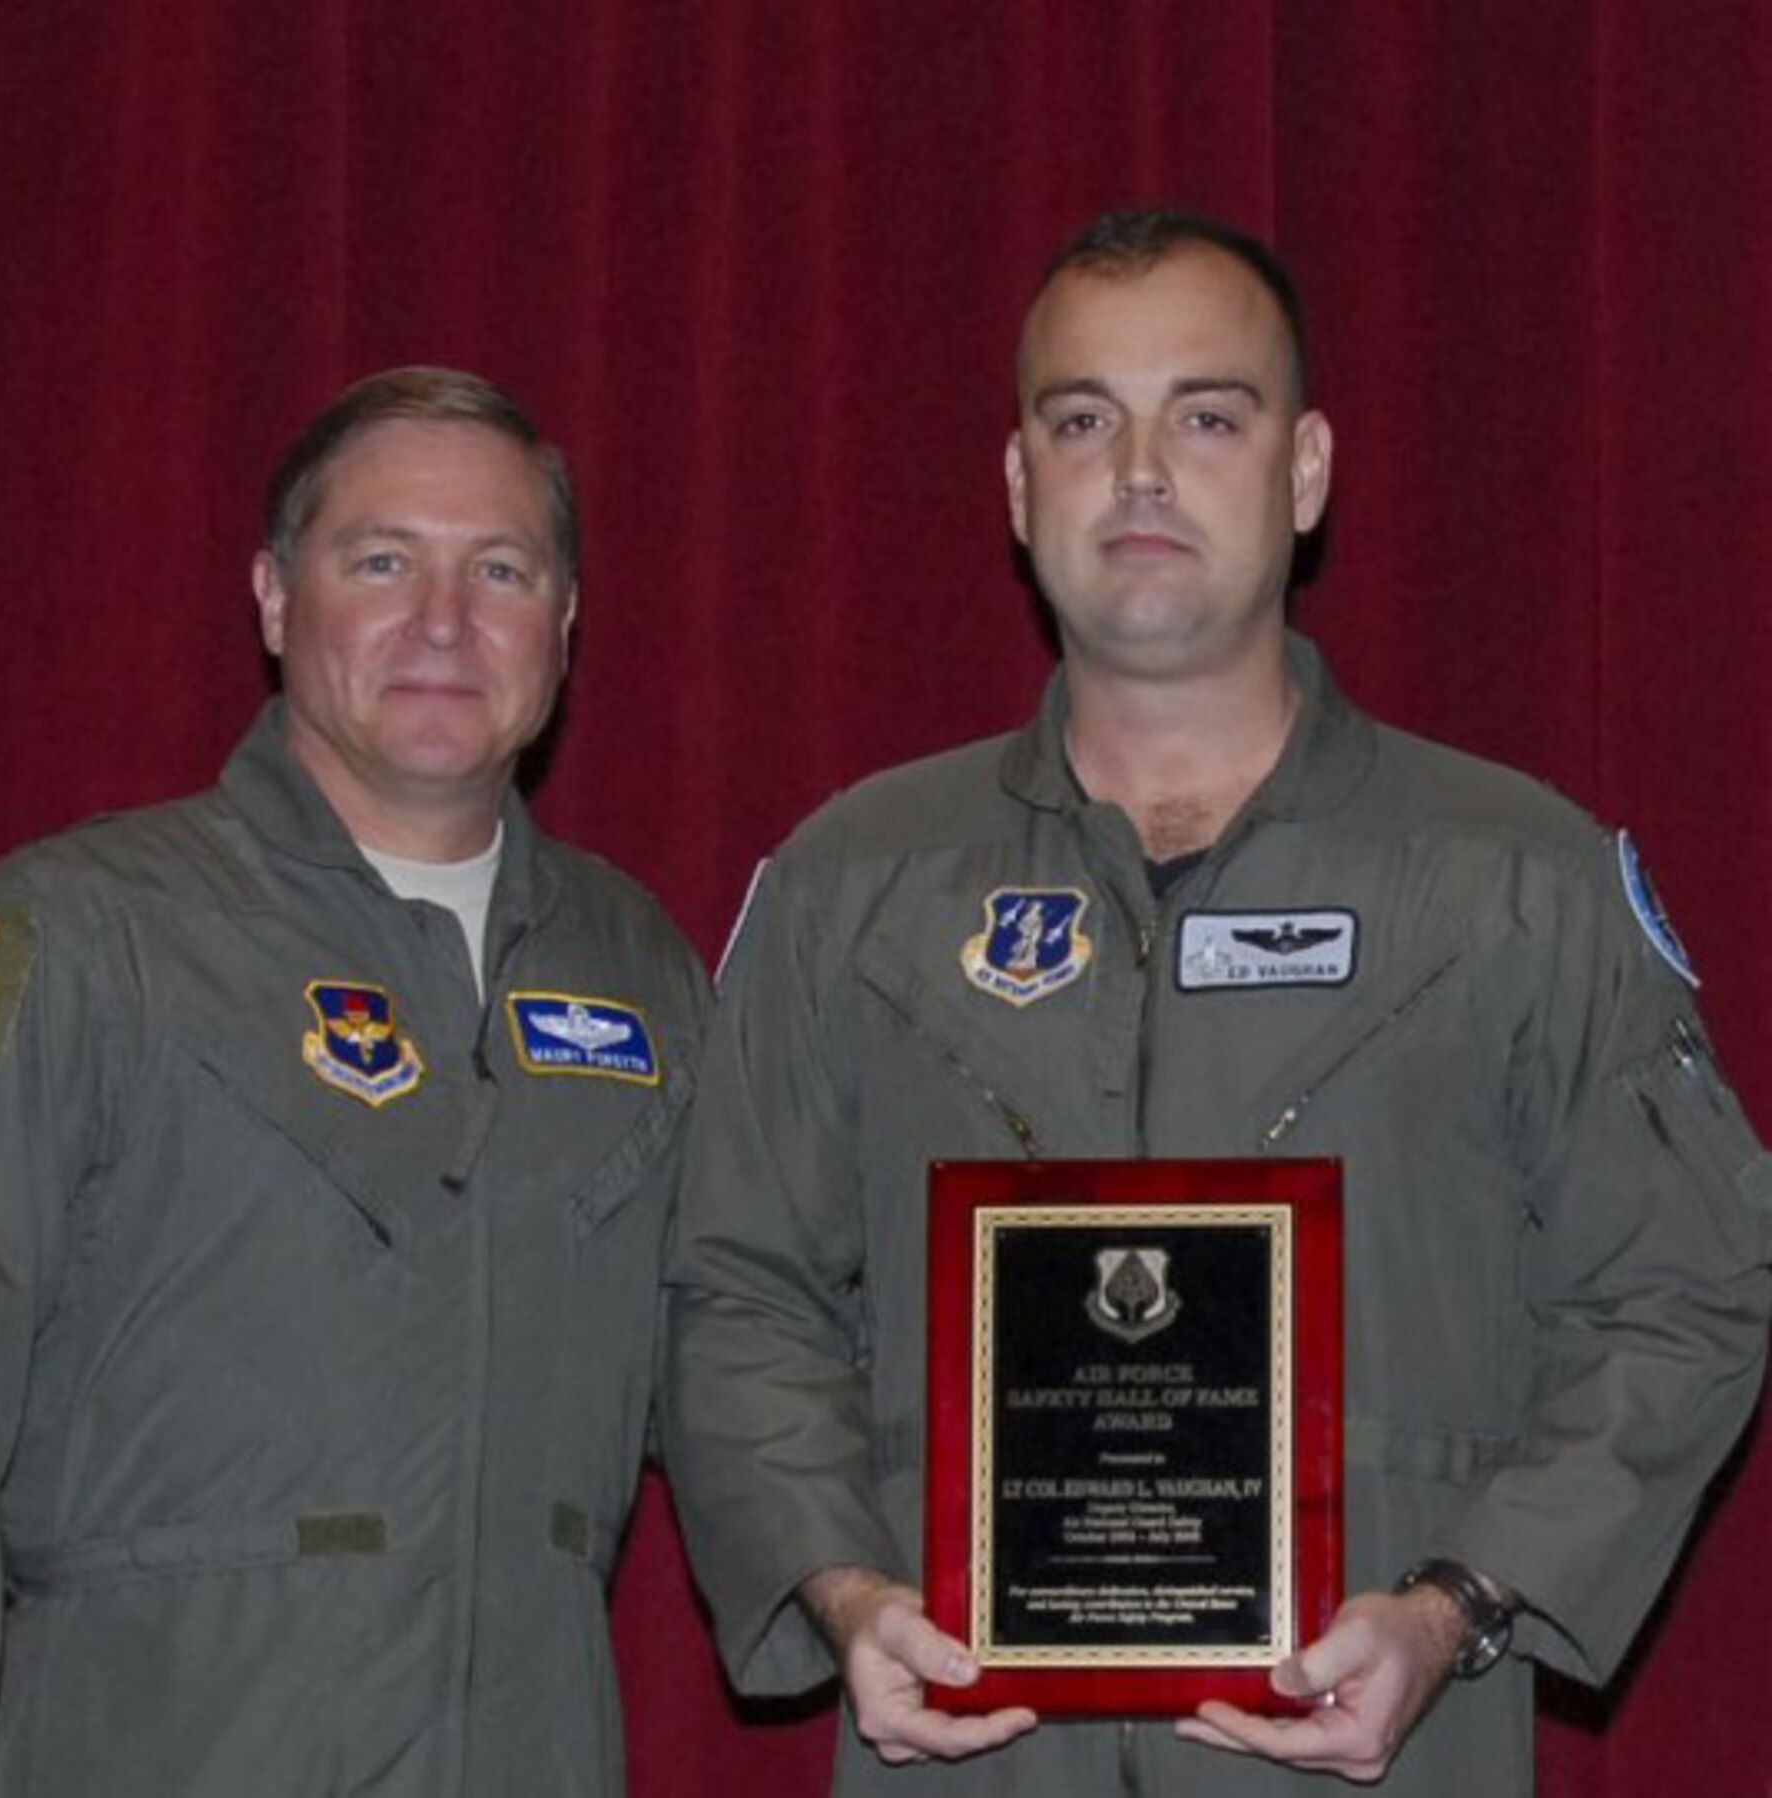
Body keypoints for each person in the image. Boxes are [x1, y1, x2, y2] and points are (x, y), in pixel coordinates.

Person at [661, 209, 1772, 1793]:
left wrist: (1458, 1607)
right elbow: (733, 1290)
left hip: (1374, 1759)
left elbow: (1689, 1286)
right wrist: (843, 1588)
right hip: (978, 1760)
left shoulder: (1514, 877)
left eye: (1206, 414)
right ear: (1017, 481)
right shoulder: (856, 884)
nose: (1139, 473)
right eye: (1081, 419)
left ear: (1305, 469)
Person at [0, 368, 707, 1797]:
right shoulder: (81, 935)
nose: (444, 621)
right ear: (275, 597)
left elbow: (745, 1362)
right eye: (382, 559)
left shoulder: (644, 972)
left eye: (501, 570)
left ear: (566, 626)